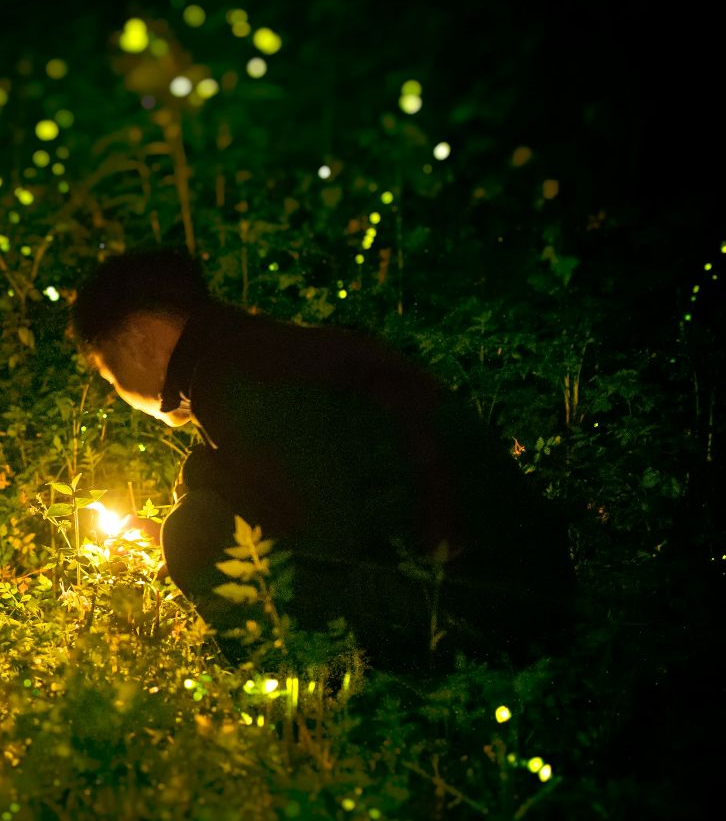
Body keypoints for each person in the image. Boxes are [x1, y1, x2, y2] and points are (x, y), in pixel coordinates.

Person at [70, 249, 574, 673]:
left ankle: (314, 699)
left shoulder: (235, 377)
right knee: (198, 505)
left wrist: (202, 505)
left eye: (110, 375)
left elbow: (320, 531)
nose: (118, 391)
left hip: (476, 615)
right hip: (522, 590)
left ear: (137, 340)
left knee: (194, 530)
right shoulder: (267, 351)